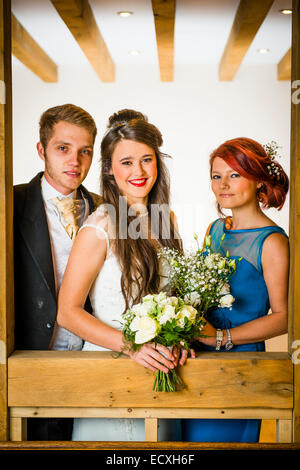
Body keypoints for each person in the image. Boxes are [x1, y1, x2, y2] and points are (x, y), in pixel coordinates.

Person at [57, 109, 186, 441]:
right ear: (109, 170)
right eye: (126, 162)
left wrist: (180, 339)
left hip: (164, 370)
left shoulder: (165, 218)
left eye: (146, 159)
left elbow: (175, 296)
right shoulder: (99, 226)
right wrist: (132, 346)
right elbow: (67, 312)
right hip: (111, 368)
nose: (139, 171)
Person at [182, 137, 289, 443]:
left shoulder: (272, 242)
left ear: (258, 180)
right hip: (195, 359)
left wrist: (222, 338)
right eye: (217, 176)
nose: (223, 185)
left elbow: (283, 317)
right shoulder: (214, 229)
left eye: (234, 175)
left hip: (240, 363)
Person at [13, 103, 100, 440]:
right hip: (31, 361)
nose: (74, 161)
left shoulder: (105, 207)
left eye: (84, 151)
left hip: (92, 363)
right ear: (41, 150)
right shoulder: (12, 202)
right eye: (63, 148)